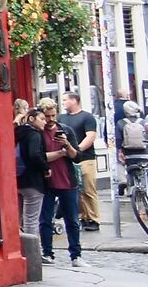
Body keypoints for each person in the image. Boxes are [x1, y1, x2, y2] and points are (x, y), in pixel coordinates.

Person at [38, 101, 84, 268]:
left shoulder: (65, 130)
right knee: (45, 220)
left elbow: (77, 157)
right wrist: (60, 153)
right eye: (47, 116)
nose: (50, 119)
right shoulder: (38, 132)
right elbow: (39, 157)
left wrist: (66, 144)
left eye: (53, 116)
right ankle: (48, 253)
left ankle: (76, 255)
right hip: (47, 183)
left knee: (72, 219)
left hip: (67, 180)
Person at [60, 91, 101, 229]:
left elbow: (90, 136)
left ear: (74, 100)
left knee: (88, 189)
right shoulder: (61, 118)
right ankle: (83, 216)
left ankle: (93, 218)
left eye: (65, 99)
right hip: (69, 159)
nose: (63, 102)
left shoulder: (87, 117)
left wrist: (77, 150)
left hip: (86, 158)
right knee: (76, 190)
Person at [12, 98, 48, 248]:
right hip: (33, 180)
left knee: (17, 219)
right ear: (32, 119)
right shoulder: (34, 134)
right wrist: (46, 167)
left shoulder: (18, 132)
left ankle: (19, 249)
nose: (45, 122)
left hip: (18, 179)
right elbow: (34, 155)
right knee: (31, 220)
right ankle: (33, 253)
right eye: (42, 119)